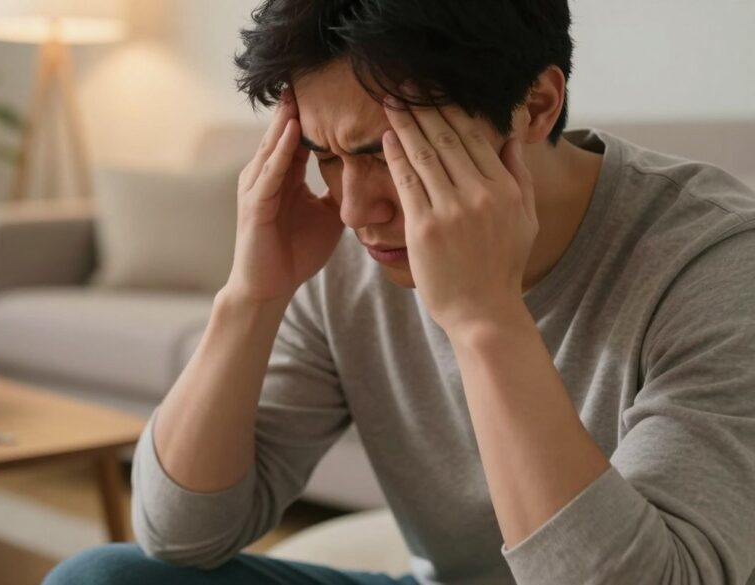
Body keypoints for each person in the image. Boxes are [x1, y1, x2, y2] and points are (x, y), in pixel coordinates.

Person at [45, 1, 755, 583]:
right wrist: (250, 296)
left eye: (391, 154)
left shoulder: (716, 262)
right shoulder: (347, 251)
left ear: (536, 106)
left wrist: (484, 319)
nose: (356, 210)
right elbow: (180, 535)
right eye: (325, 156)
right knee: (102, 577)